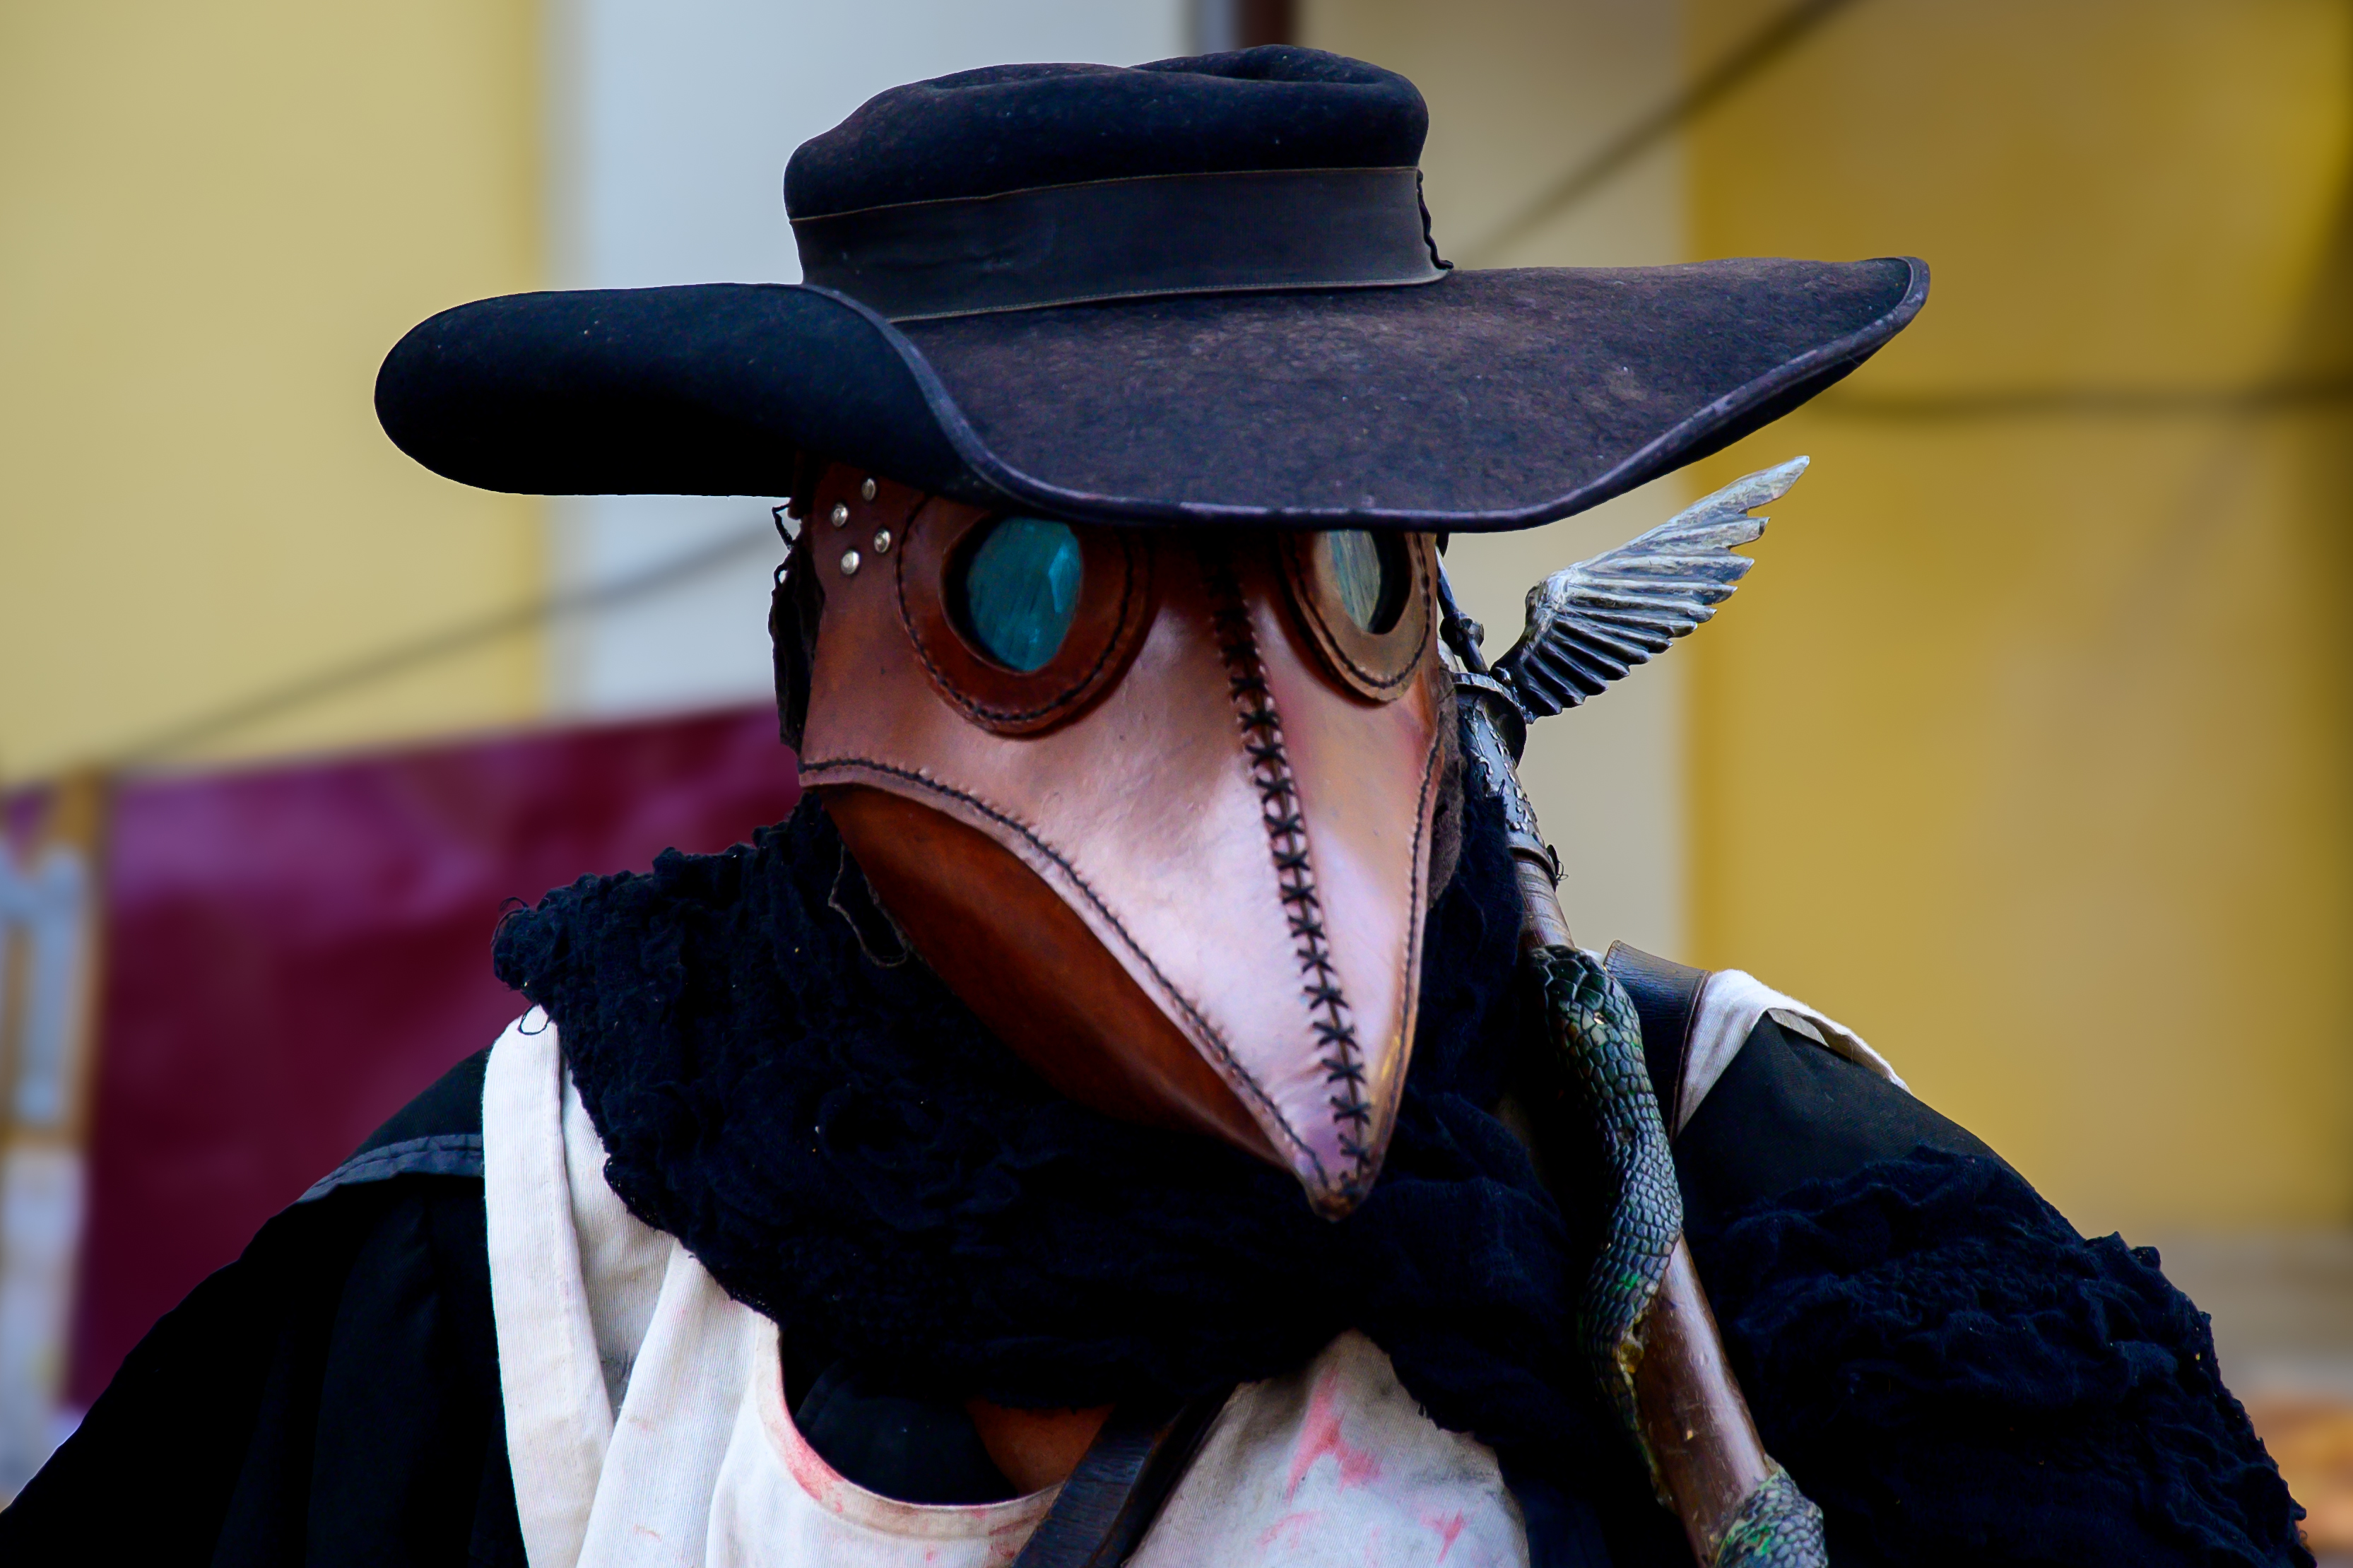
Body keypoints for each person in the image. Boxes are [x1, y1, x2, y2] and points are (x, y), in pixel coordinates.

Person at [1, 46, 2309, 1568]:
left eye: (1345, 573)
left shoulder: (1768, 1208)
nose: (1244, 758)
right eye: (1044, 586)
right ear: (828, 627)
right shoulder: (534, 1260)